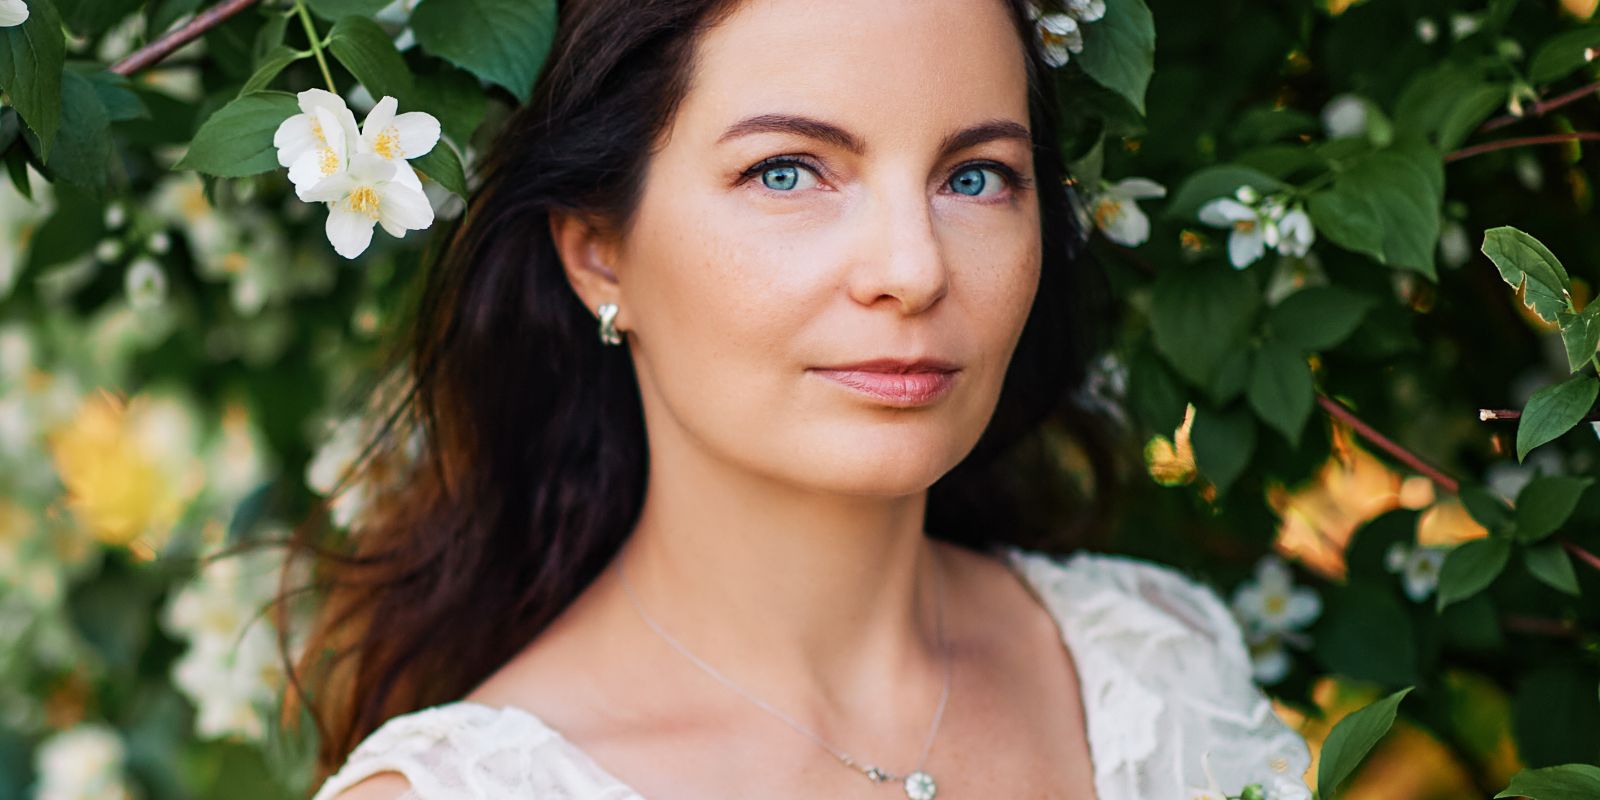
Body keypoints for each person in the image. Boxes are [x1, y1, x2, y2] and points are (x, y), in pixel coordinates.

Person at [294, 0, 1313, 797]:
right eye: (786, 171)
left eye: (975, 177)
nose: (912, 270)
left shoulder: (1153, 663)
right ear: (599, 253)